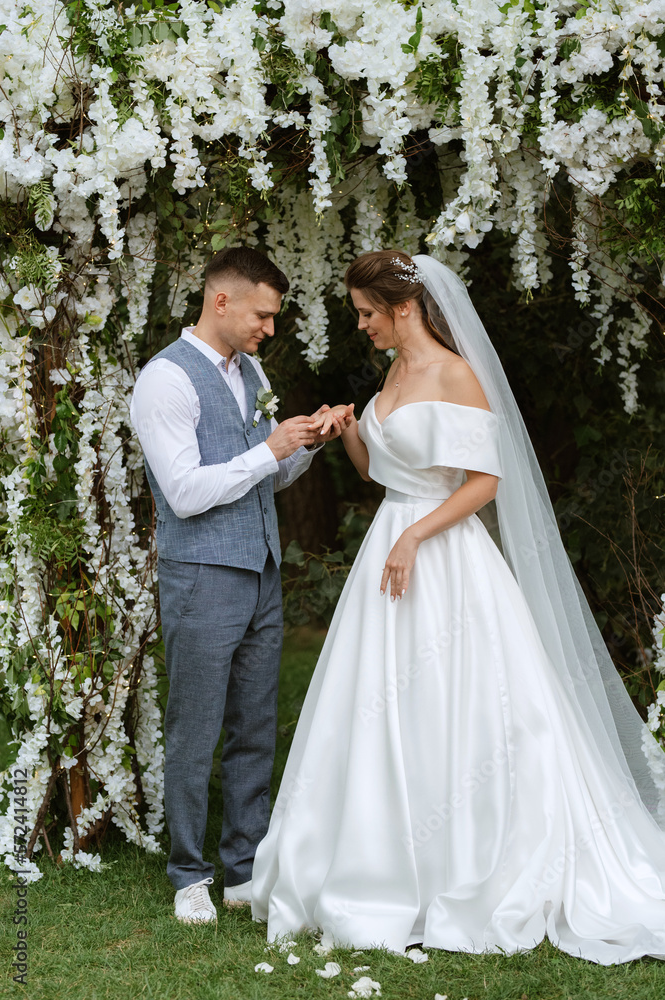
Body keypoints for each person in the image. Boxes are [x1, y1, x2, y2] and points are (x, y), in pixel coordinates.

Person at [251, 249, 665, 964]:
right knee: (379, 702)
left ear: (403, 307)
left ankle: (470, 860)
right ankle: (381, 857)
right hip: (393, 551)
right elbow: (385, 472)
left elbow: (483, 482)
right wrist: (349, 429)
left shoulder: (456, 374)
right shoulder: (393, 372)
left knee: (461, 701)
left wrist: (415, 533)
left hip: (442, 556)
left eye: (366, 313)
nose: (361, 326)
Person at [130, 246, 350, 923]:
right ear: (219, 300)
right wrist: (269, 449)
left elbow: (266, 475)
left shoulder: (250, 371)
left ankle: (243, 869)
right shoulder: (165, 381)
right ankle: (189, 874)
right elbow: (188, 492)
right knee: (196, 729)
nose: (270, 329)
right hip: (201, 577)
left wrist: (310, 443)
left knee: (255, 727)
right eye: (262, 314)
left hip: (260, 573)